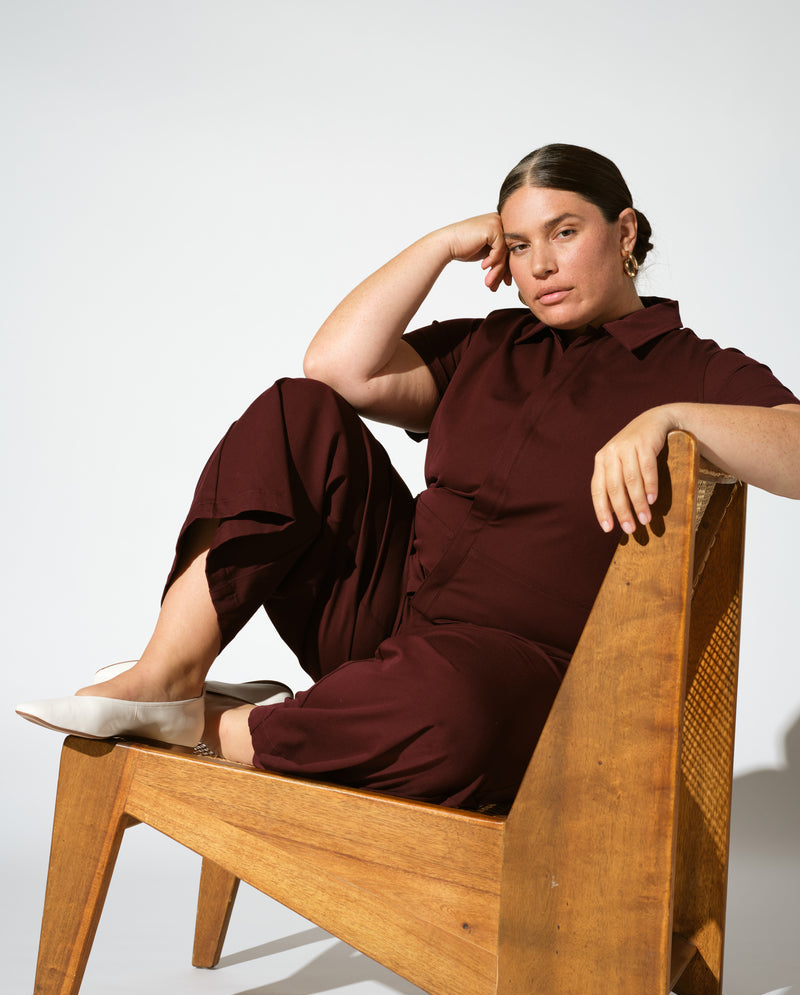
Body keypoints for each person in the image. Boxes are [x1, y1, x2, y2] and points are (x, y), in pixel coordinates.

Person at [17, 144, 800, 811]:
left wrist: (673, 417)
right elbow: (336, 367)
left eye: (565, 232)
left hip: (518, 673)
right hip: (389, 622)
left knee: (449, 709)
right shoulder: (489, 344)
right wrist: (440, 244)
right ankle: (168, 676)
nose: (541, 265)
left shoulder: (694, 369)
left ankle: (217, 726)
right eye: (519, 245)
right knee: (297, 411)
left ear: (623, 231)